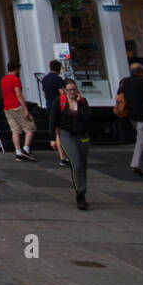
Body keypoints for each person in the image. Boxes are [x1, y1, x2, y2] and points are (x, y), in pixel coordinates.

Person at [52, 78, 93, 210]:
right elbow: (53, 120)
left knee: (83, 165)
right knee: (76, 164)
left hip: (82, 136)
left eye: (74, 89)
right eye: (69, 90)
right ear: (64, 90)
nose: (72, 92)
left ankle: (83, 191)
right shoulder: (59, 102)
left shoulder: (83, 101)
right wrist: (52, 138)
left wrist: (80, 103)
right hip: (66, 135)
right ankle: (79, 193)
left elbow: (88, 118)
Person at [0, 61, 37, 161]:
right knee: (30, 127)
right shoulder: (15, 79)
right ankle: (26, 149)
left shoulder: (3, 79)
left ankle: (18, 152)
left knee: (15, 130)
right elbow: (18, 94)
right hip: (16, 105)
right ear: (16, 69)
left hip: (7, 107)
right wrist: (25, 108)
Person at [42, 60, 68, 166]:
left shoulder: (44, 79)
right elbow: (62, 94)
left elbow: (44, 94)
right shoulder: (58, 79)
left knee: (56, 130)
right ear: (59, 68)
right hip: (59, 107)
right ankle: (63, 157)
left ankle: (63, 157)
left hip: (49, 106)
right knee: (60, 132)